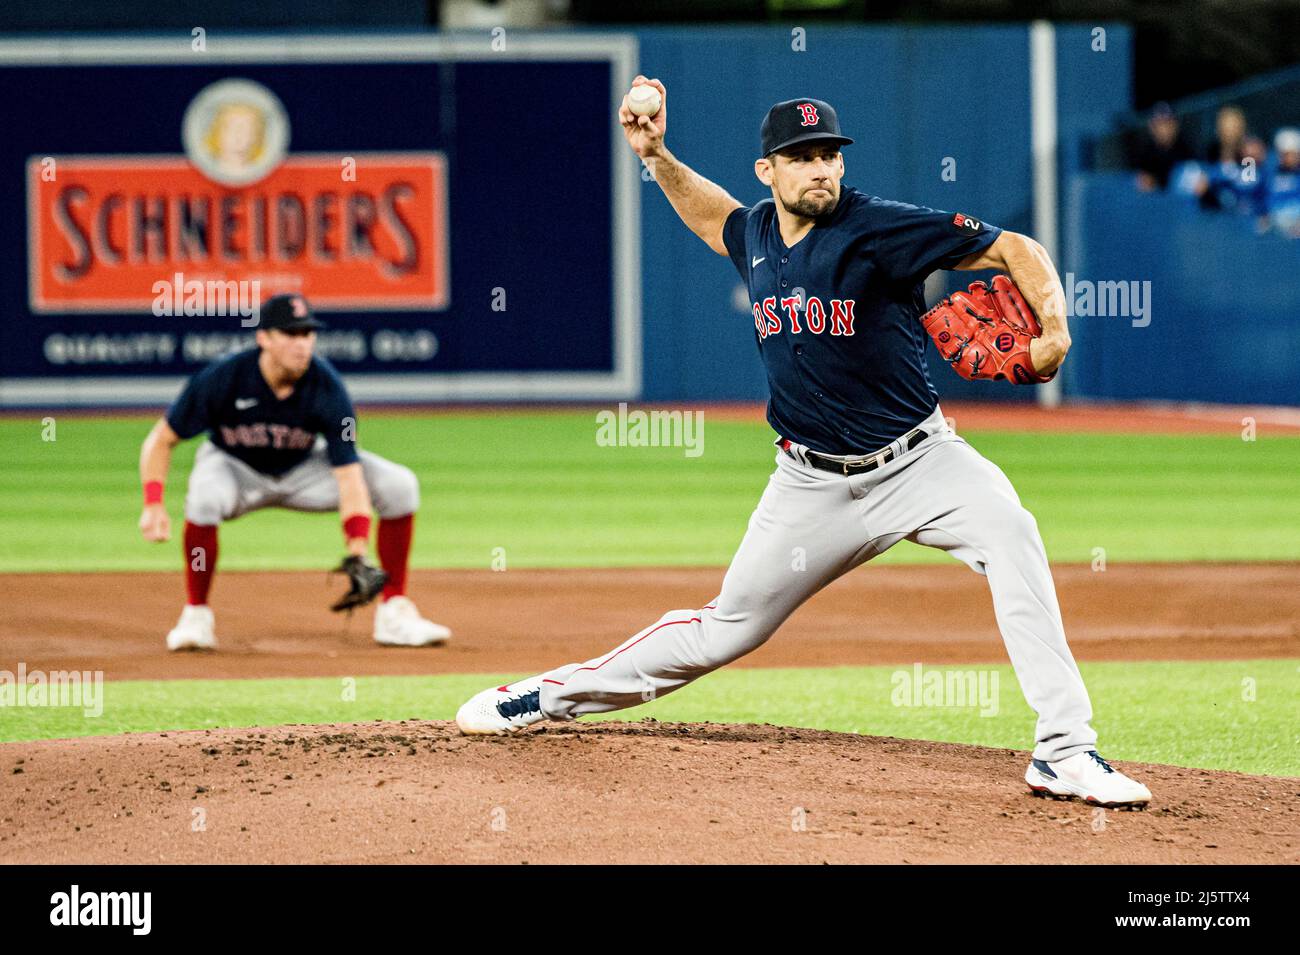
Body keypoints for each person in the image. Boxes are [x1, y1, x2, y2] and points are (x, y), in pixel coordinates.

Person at [454, 79, 1152, 809]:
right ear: (769, 171)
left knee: (1013, 533)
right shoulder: (756, 233)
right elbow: (711, 216)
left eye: (829, 155)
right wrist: (656, 155)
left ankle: (1065, 751)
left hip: (921, 460)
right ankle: (545, 695)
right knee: (724, 631)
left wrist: (1055, 327)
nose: (820, 169)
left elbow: (1016, 247)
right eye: (801, 157)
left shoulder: (879, 228)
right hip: (810, 486)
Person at [138, 293, 451, 650]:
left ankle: (394, 614)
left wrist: (357, 552)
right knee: (204, 497)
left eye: (307, 334)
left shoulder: (328, 387)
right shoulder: (224, 377)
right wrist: (153, 503)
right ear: (264, 338)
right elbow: (161, 440)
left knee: (399, 485)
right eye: (290, 334)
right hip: (235, 468)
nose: (302, 344)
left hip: (303, 471)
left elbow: (349, 476)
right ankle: (196, 616)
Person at [1129, 102, 1195, 191]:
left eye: (1167, 123)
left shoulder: (1187, 151)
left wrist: (1156, 182)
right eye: (1159, 124)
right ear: (1151, 127)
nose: (1164, 129)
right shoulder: (1144, 154)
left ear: (1175, 125)